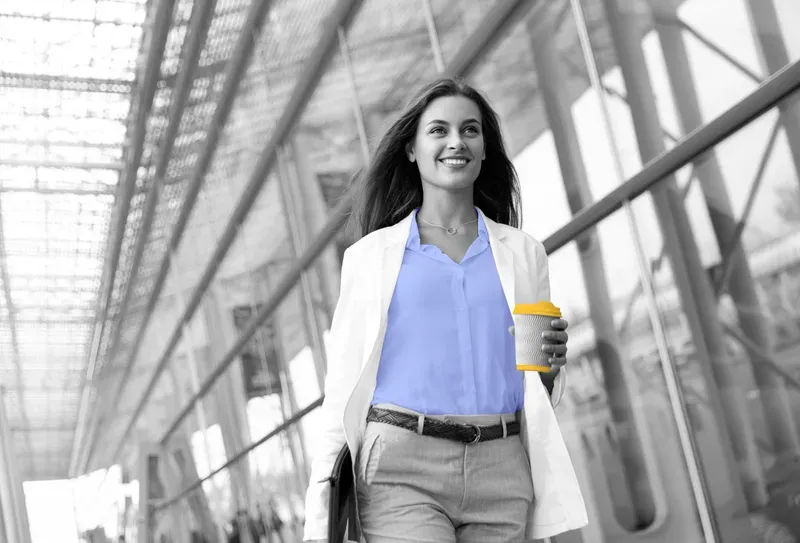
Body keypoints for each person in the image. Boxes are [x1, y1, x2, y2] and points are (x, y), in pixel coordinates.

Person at [303, 77, 588, 542]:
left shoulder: (523, 253)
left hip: (502, 468)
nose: (457, 141)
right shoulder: (370, 258)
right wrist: (319, 521)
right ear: (411, 149)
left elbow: (536, 383)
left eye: (470, 130)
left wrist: (550, 365)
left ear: (484, 149)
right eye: (439, 130)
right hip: (400, 470)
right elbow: (342, 389)